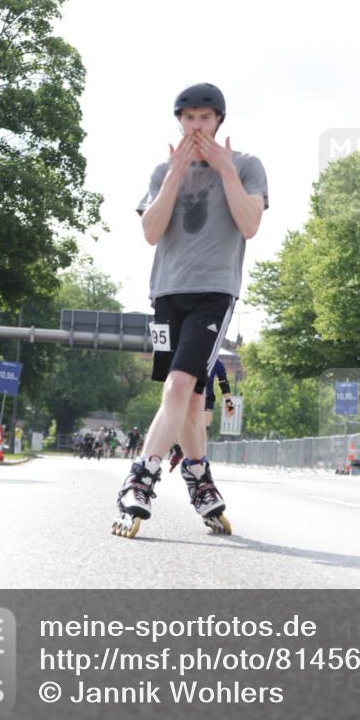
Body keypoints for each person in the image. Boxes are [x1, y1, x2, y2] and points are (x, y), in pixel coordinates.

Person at [113, 82, 268, 537]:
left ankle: (140, 478)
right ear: (178, 122)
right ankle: (200, 481)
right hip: (166, 292)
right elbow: (150, 231)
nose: (196, 126)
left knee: (180, 385)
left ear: (219, 121)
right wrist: (176, 174)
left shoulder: (246, 165)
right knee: (192, 397)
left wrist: (225, 171)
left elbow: (251, 224)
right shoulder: (164, 171)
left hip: (214, 292)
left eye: (205, 118)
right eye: (189, 118)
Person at [204, 359, 235, 432]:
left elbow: (224, 384)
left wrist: (229, 403)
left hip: (207, 398)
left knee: (204, 429)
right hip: (190, 396)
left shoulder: (216, 363)